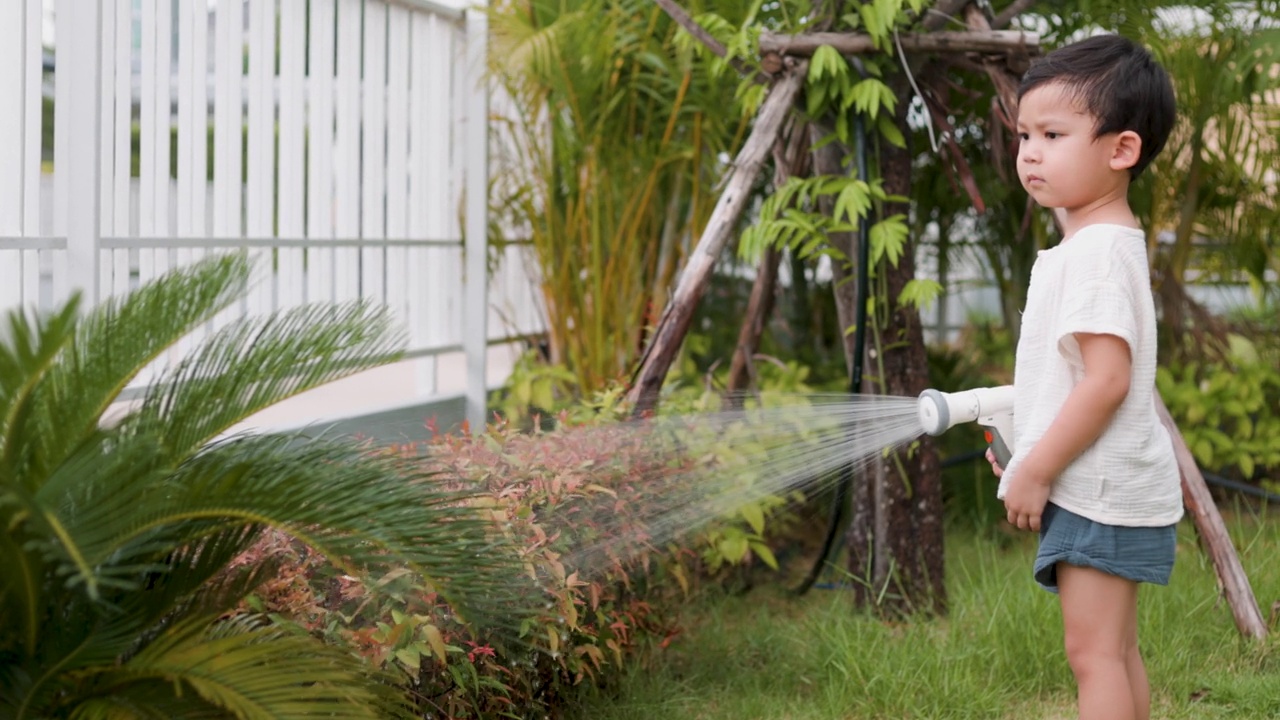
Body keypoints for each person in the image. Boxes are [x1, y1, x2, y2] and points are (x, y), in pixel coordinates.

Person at [986, 33, 1184, 720]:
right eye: (1023, 136)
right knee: (1116, 652)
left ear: (1121, 149)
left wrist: (1038, 470)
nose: (1030, 152)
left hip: (1098, 492)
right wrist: (1029, 445)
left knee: (1093, 656)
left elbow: (1106, 381)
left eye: (1052, 133)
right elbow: (1073, 378)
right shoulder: (1096, 243)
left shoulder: (1096, 253)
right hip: (1107, 483)